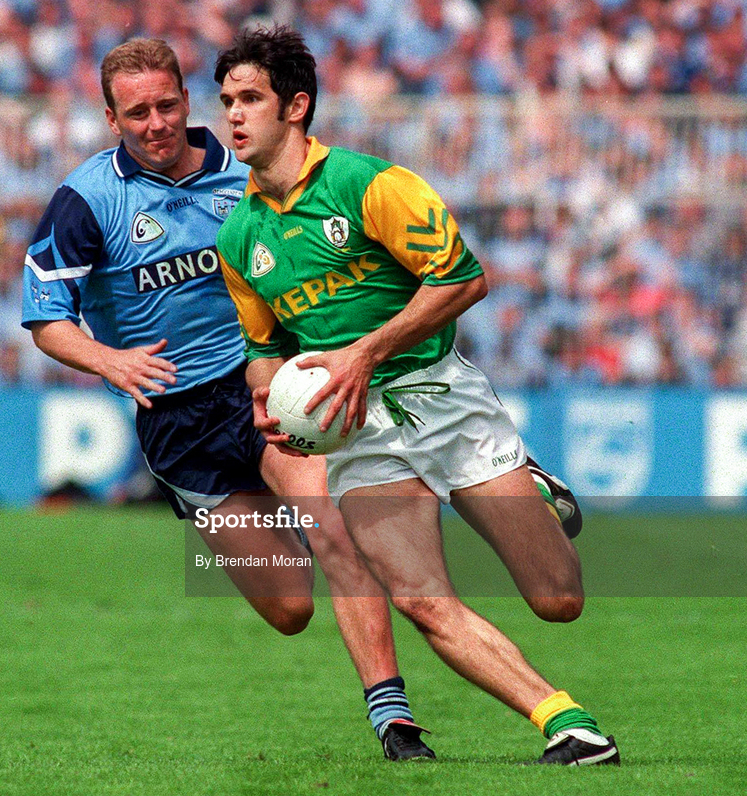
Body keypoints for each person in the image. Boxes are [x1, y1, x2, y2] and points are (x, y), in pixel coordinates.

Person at [213, 26, 619, 766]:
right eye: (227, 101)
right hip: (356, 432)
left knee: (559, 599)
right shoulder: (239, 237)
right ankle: (569, 725)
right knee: (422, 599)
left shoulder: (371, 186)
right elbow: (265, 351)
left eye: (250, 99)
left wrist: (364, 352)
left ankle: (532, 481)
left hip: (441, 399)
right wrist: (270, 410)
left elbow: (465, 279)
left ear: (296, 105)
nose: (233, 116)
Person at [21, 38, 432, 761]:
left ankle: (393, 722)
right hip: (177, 423)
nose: (155, 123)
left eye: (167, 105)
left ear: (189, 100)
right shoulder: (86, 200)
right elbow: (47, 319)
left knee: (334, 530)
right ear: (110, 116)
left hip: (261, 386)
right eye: (137, 112)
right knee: (291, 607)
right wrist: (109, 359)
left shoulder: (248, 169)